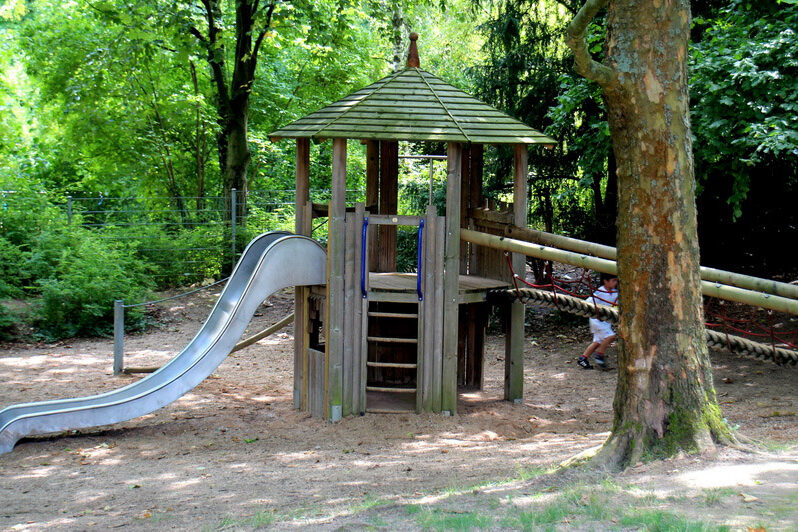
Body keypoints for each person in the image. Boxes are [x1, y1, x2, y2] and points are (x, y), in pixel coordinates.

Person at [578, 273, 618, 370]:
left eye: (616, 281)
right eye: (613, 281)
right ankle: (599, 355)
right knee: (611, 336)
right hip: (597, 320)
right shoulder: (600, 292)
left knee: (598, 341)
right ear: (605, 281)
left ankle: (583, 359)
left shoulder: (615, 293)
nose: (615, 283)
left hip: (606, 321)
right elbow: (588, 302)